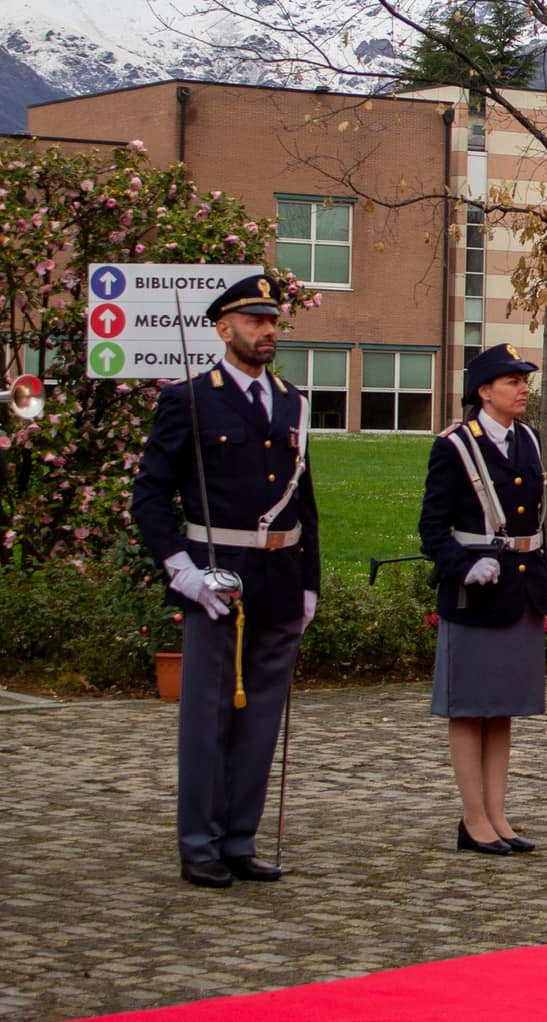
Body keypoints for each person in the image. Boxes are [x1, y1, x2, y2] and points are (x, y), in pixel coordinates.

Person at [132, 273, 319, 889]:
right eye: (254, 321)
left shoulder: (292, 401)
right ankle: (200, 843)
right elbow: (150, 495)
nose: (268, 331)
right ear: (224, 329)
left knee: (261, 718)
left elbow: (305, 501)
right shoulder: (191, 399)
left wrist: (310, 582)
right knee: (208, 718)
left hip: (280, 575)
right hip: (217, 579)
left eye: (272, 321)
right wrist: (179, 569)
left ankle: (240, 839)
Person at [419, 343, 547, 856]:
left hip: (520, 589)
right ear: (484, 391)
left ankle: (498, 814)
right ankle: (472, 817)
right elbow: (432, 529)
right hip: (474, 593)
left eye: (524, 381)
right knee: (470, 707)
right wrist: (464, 564)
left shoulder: (528, 440)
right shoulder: (455, 446)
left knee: (501, 709)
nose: (522, 390)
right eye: (512, 381)